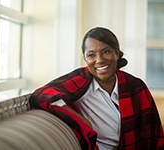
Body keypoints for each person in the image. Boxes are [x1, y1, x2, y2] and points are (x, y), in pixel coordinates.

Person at [29, 27, 164, 150]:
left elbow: (156, 137)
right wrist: (79, 119)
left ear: (116, 53)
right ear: (85, 59)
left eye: (106, 52)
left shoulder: (135, 86)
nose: (99, 60)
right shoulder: (79, 81)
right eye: (91, 55)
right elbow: (41, 95)